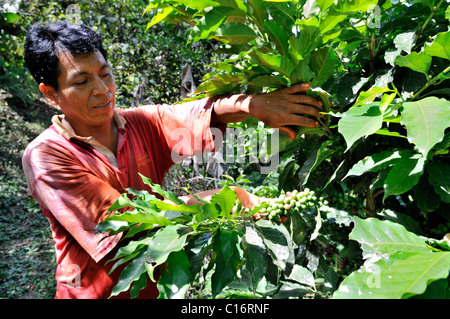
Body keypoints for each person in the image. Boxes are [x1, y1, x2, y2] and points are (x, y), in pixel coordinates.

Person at [22, 21, 323, 299]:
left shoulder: (137, 123)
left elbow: (199, 112)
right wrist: (229, 198)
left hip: (156, 287)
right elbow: (123, 222)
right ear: (51, 94)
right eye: (81, 82)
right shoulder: (46, 157)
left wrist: (254, 105)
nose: (102, 90)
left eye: (104, 73)